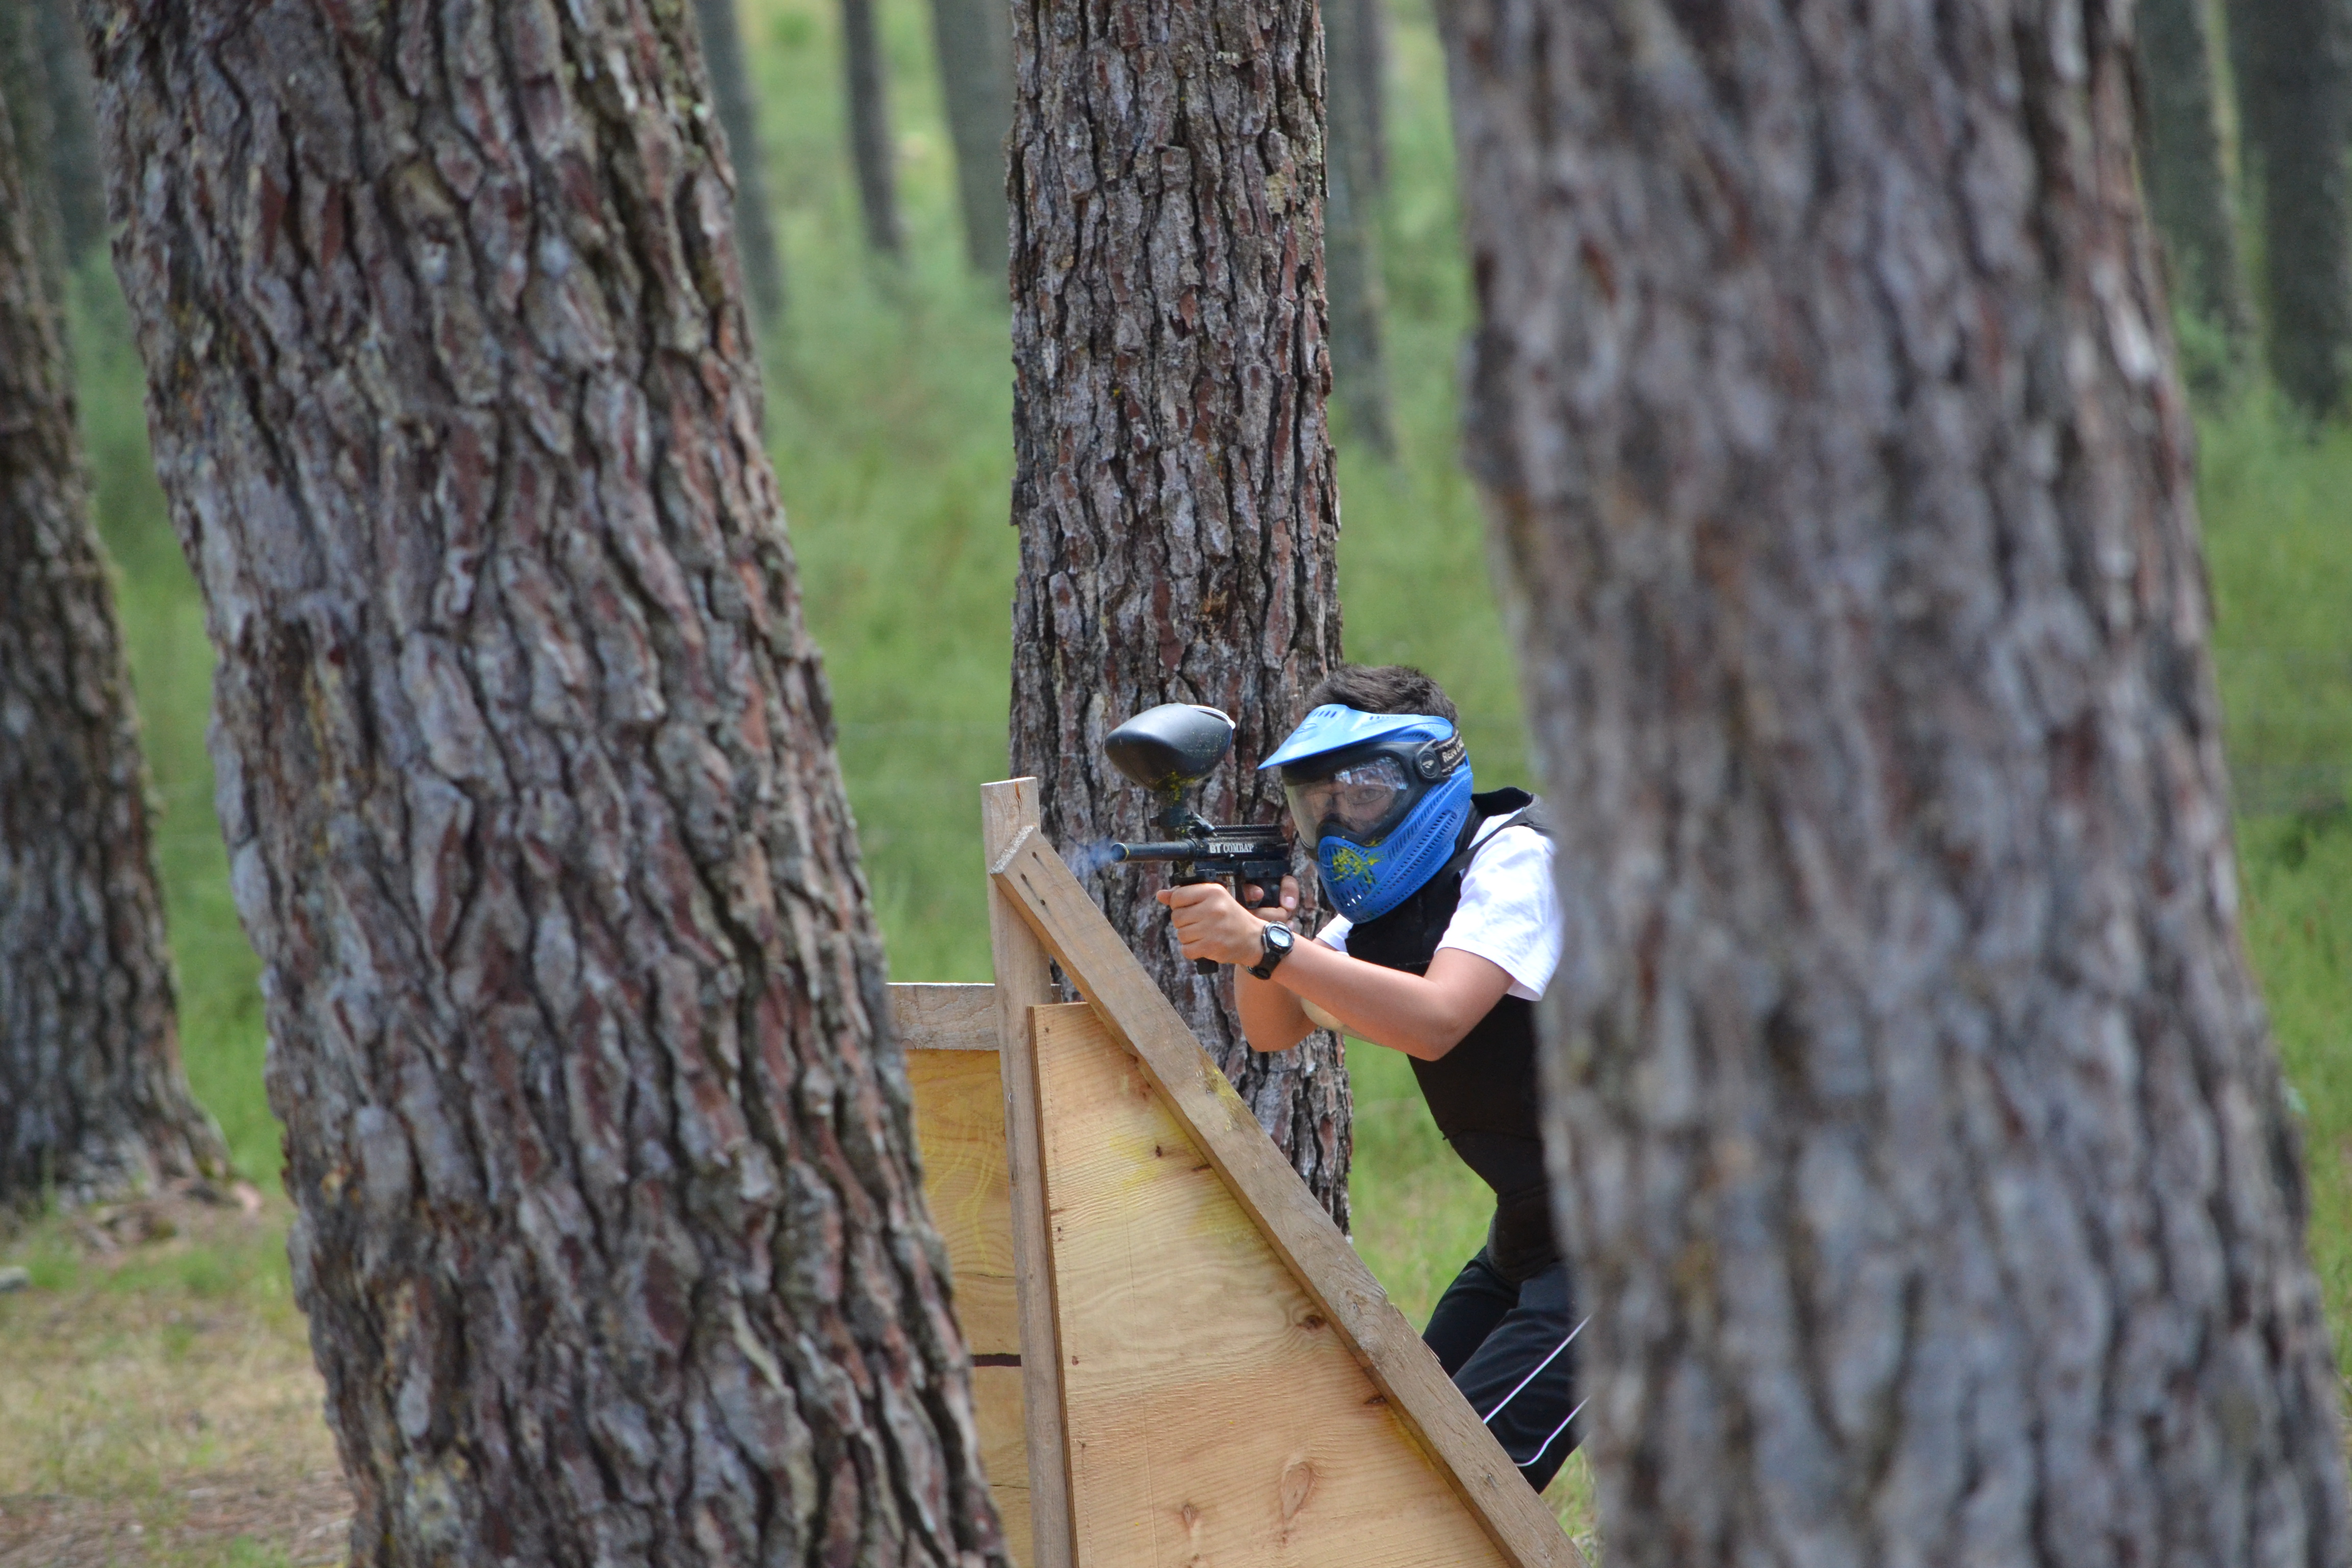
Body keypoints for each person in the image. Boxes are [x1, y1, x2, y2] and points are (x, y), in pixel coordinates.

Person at [1154, 663, 1583, 1493]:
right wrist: (1271, 930)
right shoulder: (1378, 922)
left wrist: (1268, 947)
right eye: (1319, 803)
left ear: (1433, 770)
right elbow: (1272, 1028)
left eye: (1364, 792)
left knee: (1465, 1485)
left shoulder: (1517, 860)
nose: (1342, 821)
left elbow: (1435, 1020)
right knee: (1396, 1441)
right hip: (1534, 1233)